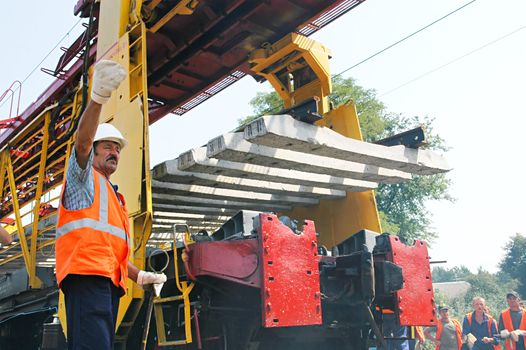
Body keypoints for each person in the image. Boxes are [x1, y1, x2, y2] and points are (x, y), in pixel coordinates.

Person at [55, 60, 167, 349]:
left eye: (117, 149)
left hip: (106, 282)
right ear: (93, 151)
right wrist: (98, 98)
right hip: (86, 278)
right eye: (107, 146)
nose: (114, 152)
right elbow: (81, 143)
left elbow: (111, 251)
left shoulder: (114, 195)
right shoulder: (83, 179)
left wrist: (139, 276)